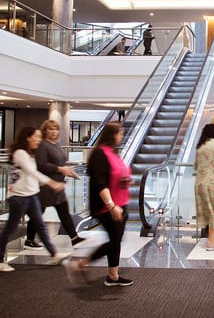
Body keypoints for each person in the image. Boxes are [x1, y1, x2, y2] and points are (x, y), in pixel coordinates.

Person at [63, 122, 133, 286]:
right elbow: (100, 183)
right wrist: (111, 205)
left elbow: (116, 175)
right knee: (114, 241)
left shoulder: (112, 153)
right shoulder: (99, 154)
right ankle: (80, 264)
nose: (121, 136)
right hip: (107, 206)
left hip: (121, 203)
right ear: (112, 134)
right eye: (119, 133)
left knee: (116, 240)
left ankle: (113, 275)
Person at [0, 127, 69, 272]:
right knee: (10, 229)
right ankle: (0, 260)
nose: (39, 140)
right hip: (19, 197)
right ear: (27, 138)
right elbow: (33, 172)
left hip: (31, 195)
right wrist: (52, 183)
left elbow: (32, 176)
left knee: (41, 226)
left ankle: (54, 254)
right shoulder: (20, 153)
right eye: (36, 137)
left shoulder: (30, 154)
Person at [24, 120, 85, 250]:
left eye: (55, 129)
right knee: (38, 213)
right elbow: (42, 165)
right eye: (50, 129)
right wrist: (61, 169)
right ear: (45, 130)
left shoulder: (56, 145)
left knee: (63, 213)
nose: (53, 132)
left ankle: (74, 238)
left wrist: (67, 170)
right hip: (46, 186)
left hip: (57, 186)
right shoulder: (43, 146)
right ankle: (29, 239)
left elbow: (60, 162)